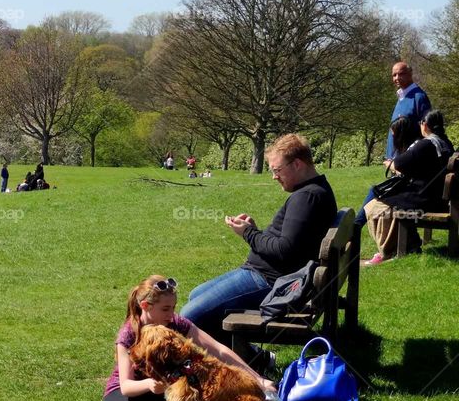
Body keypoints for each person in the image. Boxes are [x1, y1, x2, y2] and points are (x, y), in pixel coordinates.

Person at [45, 276, 275, 401]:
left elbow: (218, 350)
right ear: (145, 306)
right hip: (128, 393)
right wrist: (149, 384)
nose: (172, 314)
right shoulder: (128, 333)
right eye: (166, 309)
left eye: (173, 307)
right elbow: (126, 386)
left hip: (162, 391)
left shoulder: (174, 323)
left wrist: (258, 379)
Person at [180, 134, 337, 350]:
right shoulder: (316, 190)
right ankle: (251, 358)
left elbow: (285, 250)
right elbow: (291, 242)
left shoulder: (306, 198)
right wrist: (253, 230)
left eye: (277, 170)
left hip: (268, 280)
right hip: (266, 273)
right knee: (195, 295)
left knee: (188, 317)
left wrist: (248, 233)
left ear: (298, 164)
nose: (274, 177)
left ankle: (251, 361)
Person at [363, 111, 455, 265]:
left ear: (425, 125)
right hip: (439, 197)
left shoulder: (426, 144)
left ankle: (389, 250)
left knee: (374, 207)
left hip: (425, 198)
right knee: (388, 203)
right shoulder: (446, 143)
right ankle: (410, 245)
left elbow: (399, 163)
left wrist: (389, 164)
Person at [355, 61, 434, 227]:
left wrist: (408, 158)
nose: (397, 77)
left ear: (411, 74)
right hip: (395, 161)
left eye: (401, 73)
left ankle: (355, 226)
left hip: (406, 166)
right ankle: (356, 226)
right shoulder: (401, 97)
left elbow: (427, 130)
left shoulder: (419, 97)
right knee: (382, 194)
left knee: (379, 193)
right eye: (394, 74)